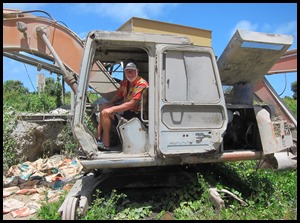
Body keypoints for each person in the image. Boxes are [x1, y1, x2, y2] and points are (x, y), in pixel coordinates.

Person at [96, 62, 148, 150]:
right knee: (104, 106)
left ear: (137, 71)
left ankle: (106, 143)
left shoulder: (142, 84)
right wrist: (110, 103)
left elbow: (131, 104)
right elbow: (119, 95)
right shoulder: (125, 83)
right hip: (126, 112)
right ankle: (98, 138)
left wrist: (111, 109)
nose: (130, 74)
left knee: (106, 113)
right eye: (127, 71)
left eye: (132, 71)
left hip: (136, 116)